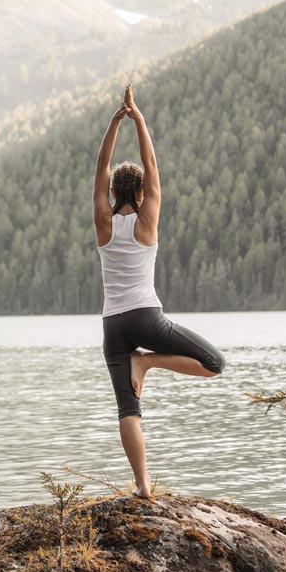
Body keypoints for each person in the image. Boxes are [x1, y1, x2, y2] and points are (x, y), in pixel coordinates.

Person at [93, 84, 226, 499]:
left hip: (113, 324)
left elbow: (101, 168)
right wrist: (140, 120)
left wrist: (114, 123)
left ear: (114, 194)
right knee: (213, 362)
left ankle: (142, 485)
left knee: (127, 410)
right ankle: (147, 364)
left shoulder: (103, 222)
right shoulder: (146, 220)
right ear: (143, 192)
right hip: (146, 317)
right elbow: (151, 165)